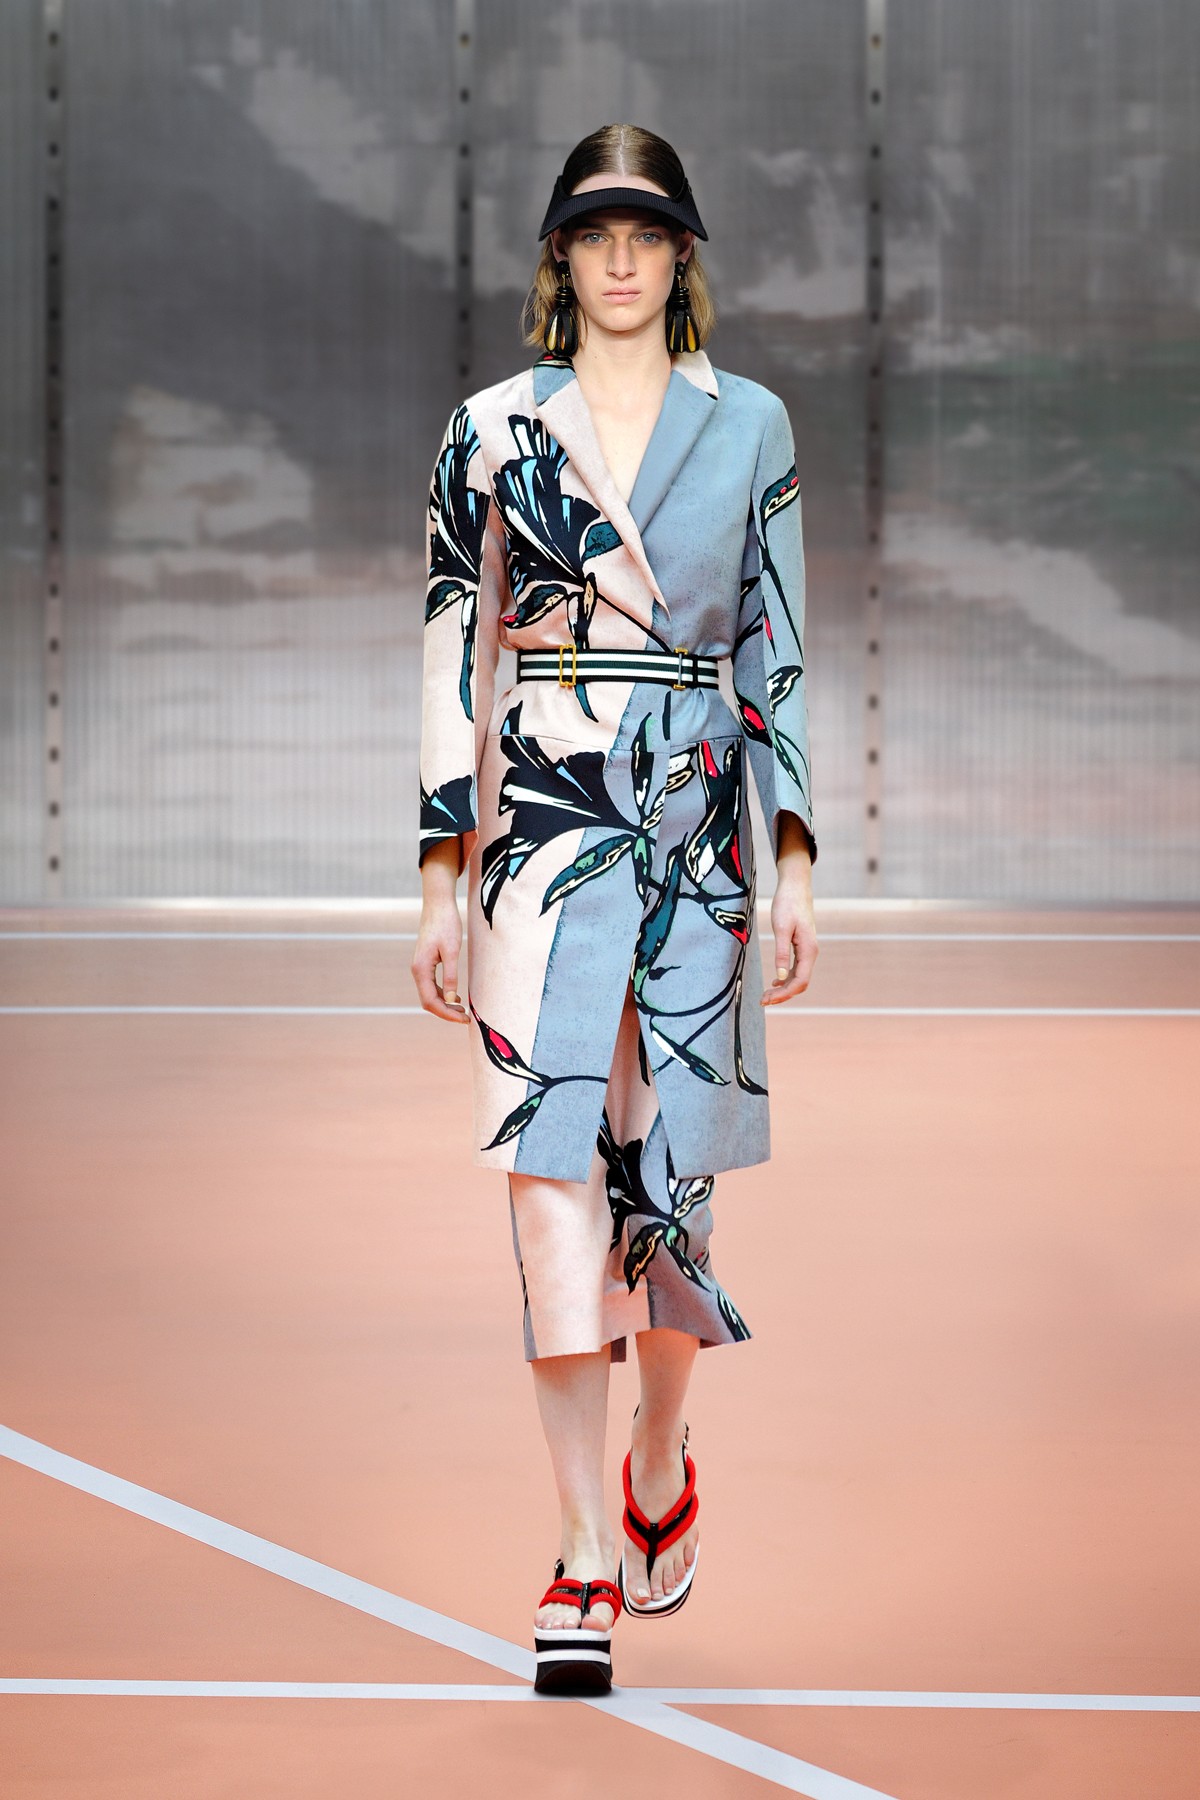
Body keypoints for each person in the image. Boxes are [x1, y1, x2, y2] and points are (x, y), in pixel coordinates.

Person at [412, 122, 817, 1694]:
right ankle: (584, 1545)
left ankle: (659, 1450)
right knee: (549, 1182)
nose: (625, 259)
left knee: (672, 1185)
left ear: (682, 255)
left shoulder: (752, 424)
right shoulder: (490, 430)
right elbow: (454, 644)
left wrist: (792, 855)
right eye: (598, 233)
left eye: (649, 233)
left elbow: (775, 645)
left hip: (698, 823)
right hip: (541, 833)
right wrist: (442, 875)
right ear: (562, 257)